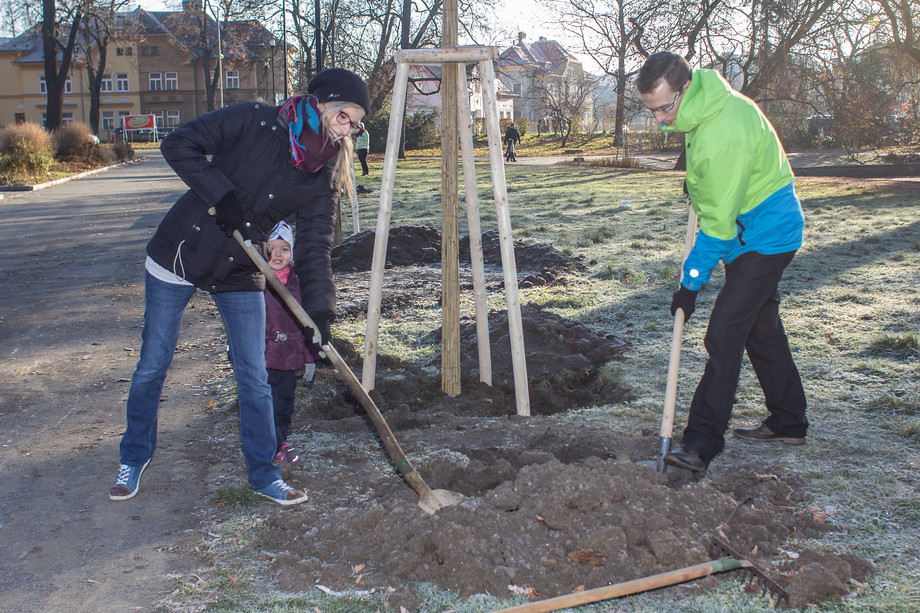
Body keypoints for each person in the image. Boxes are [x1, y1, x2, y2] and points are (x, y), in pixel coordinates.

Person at [109, 67, 369, 505]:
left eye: (356, 124)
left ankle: (265, 475)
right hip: (181, 253)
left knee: (254, 373)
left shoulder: (322, 175)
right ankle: (133, 457)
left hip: (240, 268)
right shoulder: (255, 121)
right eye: (346, 117)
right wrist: (221, 195)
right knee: (154, 364)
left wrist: (321, 313)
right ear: (322, 103)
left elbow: (315, 248)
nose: (350, 130)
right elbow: (179, 143)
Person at [636, 51, 807, 475]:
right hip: (752, 232)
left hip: (763, 239)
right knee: (760, 330)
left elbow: (717, 230)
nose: (659, 120)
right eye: (652, 111)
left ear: (685, 87)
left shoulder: (720, 131)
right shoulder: (707, 106)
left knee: (725, 332)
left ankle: (699, 444)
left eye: (663, 108)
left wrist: (689, 286)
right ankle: (789, 420)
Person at [263, 220, 319, 465]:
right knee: (263, 403)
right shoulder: (255, 280)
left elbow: (305, 323)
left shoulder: (298, 281)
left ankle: (280, 441)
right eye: (271, 248)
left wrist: (309, 358)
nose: (278, 254)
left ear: (291, 253)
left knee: (284, 401)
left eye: (284, 249)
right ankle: (266, 446)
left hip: (289, 355)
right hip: (262, 355)